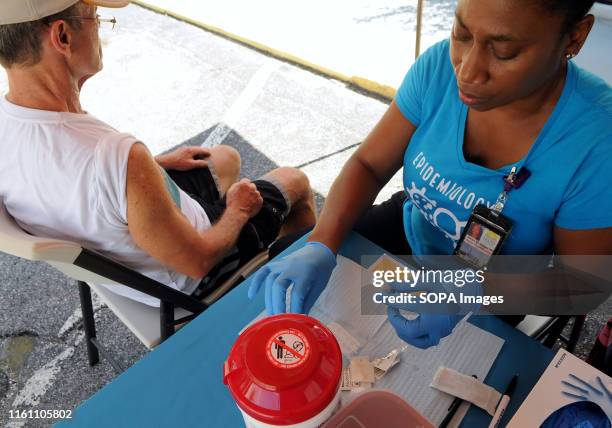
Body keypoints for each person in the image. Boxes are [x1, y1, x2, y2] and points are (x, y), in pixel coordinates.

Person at [250, 0, 612, 348]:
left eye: (504, 53)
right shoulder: (439, 67)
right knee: (318, 292)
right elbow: (369, 164)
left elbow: (584, 282)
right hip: (409, 235)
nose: (467, 72)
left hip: (497, 284)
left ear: (574, 37)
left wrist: (474, 291)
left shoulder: (597, 139)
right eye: (462, 33)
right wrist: (322, 244)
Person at [0, 0, 316, 306]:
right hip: (182, 279)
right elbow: (198, 261)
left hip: (123, 256)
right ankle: (300, 295)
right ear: (63, 36)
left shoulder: (12, 122)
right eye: (94, 17)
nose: (100, 30)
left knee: (225, 157)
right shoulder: (113, 155)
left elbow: (71, 182)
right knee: (294, 181)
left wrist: (151, 168)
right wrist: (237, 210)